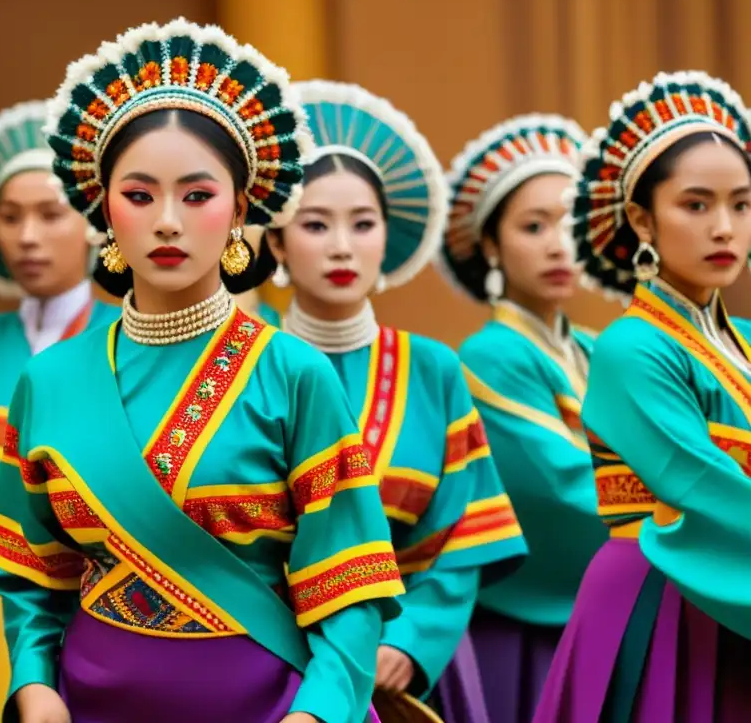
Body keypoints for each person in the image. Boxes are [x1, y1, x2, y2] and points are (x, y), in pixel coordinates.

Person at [0, 18, 406, 723]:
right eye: (140, 196)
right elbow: (30, 579)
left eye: (198, 196)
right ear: (103, 209)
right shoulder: (47, 381)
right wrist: (34, 685)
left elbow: (353, 588)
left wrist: (320, 713)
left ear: (240, 208)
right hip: (87, 707)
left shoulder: (293, 373)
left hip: (273, 708)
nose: (168, 221)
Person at [263, 81, 527, 723]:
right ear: (274, 245)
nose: (342, 246)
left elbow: (466, 530)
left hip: (406, 668)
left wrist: (411, 641)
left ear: (390, 236)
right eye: (315, 224)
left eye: (363, 223)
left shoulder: (433, 367)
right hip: (271, 657)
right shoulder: (247, 363)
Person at [534, 71, 751, 722]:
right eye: (696, 204)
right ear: (640, 218)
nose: (724, 228)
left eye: (741, 204)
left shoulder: (743, 338)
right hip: (667, 594)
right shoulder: (633, 347)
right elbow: (700, 489)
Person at [0, 100, 120, 716]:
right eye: (10, 217)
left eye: (50, 215)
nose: (27, 236)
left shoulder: (121, 342)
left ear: (94, 223)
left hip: (76, 587)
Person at [439, 114, 609, 722]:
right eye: (533, 226)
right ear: (490, 244)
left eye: (569, 222)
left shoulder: (593, 348)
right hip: (525, 627)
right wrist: (677, 512)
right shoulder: (488, 356)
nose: (559, 243)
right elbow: (561, 487)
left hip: (596, 613)